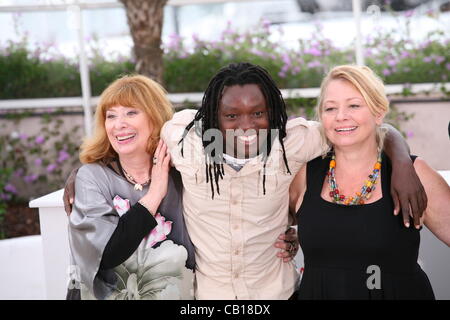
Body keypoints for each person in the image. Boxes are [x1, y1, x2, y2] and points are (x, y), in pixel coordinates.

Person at [65, 62, 426, 300]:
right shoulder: (184, 139)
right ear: (212, 116)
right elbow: (129, 140)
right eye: (231, 116)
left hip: (278, 296)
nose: (246, 126)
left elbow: (359, 126)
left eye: (258, 113)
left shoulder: (294, 142)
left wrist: (401, 159)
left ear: (274, 113)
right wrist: (79, 173)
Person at [289, 65, 450, 300]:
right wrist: (287, 237)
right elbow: (266, 227)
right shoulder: (305, 174)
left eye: (354, 105)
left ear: (378, 112)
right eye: (330, 108)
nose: (341, 116)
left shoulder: (414, 174)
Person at [67, 75, 196, 300]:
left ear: (154, 118)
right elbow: (107, 254)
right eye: (111, 116)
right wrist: (155, 194)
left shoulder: (185, 172)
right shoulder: (93, 178)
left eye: (131, 112)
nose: (119, 124)